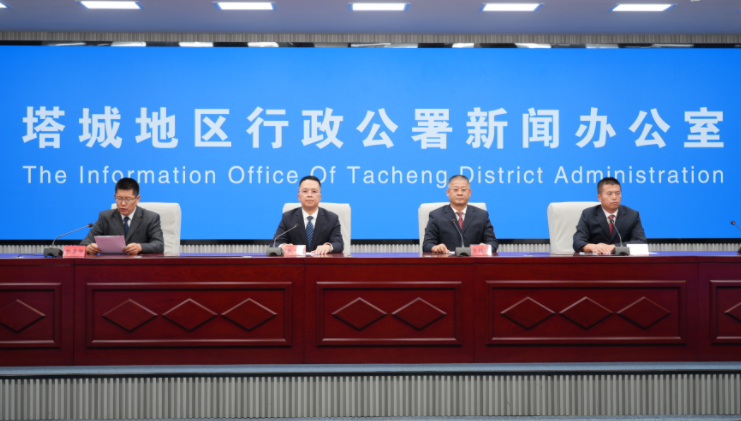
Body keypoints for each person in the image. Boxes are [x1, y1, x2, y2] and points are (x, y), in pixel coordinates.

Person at [81, 178, 164, 255]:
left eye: (128, 199)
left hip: (139, 264)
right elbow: (85, 242)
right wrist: (88, 248)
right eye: (119, 198)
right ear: (114, 196)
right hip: (111, 264)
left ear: (137, 199)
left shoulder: (150, 218)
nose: (123, 203)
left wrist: (140, 247)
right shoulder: (105, 217)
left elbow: (159, 245)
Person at [423, 174, 498, 253]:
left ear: (469, 192)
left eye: (463, 190)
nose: (459, 193)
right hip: (447, 259)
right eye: (455, 189)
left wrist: (486, 247)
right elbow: (427, 244)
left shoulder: (482, 215)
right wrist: (435, 247)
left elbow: (492, 242)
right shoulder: (436, 216)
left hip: (474, 259)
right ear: (448, 192)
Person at [573, 177, 646, 254]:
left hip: (622, 259)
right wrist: (593, 247)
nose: (614, 197)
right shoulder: (588, 214)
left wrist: (613, 247)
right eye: (609, 194)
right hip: (595, 259)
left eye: (617, 193)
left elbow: (641, 243)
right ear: (599, 197)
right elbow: (578, 242)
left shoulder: (632, 215)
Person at [273, 175, 343, 255]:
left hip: (322, 261)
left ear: (320, 197)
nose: (309, 195)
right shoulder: (288, 217)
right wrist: (283, 246)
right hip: (296, 262)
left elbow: (338, 244)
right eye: (305, 191)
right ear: (299, 196)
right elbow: (275, 243)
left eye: (314, 191)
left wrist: (328, 246)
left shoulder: (332, 218)